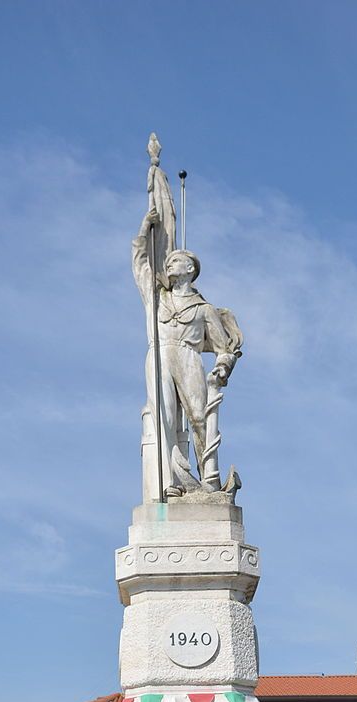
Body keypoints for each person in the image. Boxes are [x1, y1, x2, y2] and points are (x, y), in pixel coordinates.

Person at [131, 206, 241, 497]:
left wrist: (222, 367)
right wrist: (145, 229)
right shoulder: (156, 298)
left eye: (176, 260)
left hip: (188, 356)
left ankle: (209, 479)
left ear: (190, 269)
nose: (169, 264)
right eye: (168, 261)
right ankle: (171, 483)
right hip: (159, 355)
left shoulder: (203, 309)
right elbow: (140, 263)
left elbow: (223, 349)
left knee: (199, 417)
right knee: (163, 419)